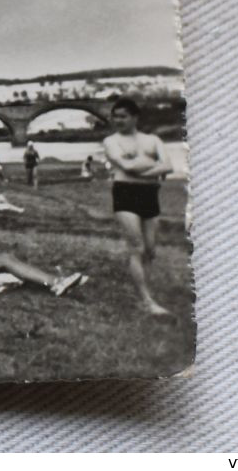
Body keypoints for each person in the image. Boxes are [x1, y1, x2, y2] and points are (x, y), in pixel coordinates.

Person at [101, 96, 176, 316]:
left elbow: (169, 166)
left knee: (150, 250)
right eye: (115, 116)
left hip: (150, 194)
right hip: (125, 193)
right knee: (136, 247)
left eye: (123, 116)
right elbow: (125, 166)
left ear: (135, 117)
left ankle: (144, 291)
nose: (118, 120)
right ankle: (145, 301)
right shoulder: (111, 141)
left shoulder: (152, 140)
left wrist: (140, 166)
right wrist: (154, 165)